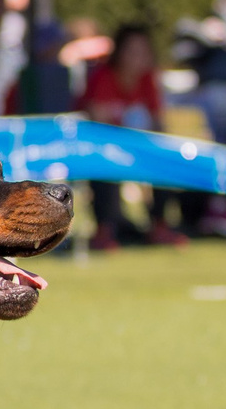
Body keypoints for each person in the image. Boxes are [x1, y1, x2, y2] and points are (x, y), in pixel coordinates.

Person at [77, 23, 184, 250]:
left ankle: (160, 225)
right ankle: (105, 230)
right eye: (132, 51)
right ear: (119, 53)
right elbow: (97, 123)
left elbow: (158, 124)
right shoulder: (103, 77)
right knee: (103, 163)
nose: (138, 57)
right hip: (103, 148)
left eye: (143, 51)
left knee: (165, 160)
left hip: (139, 148)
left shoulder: (147, 80)